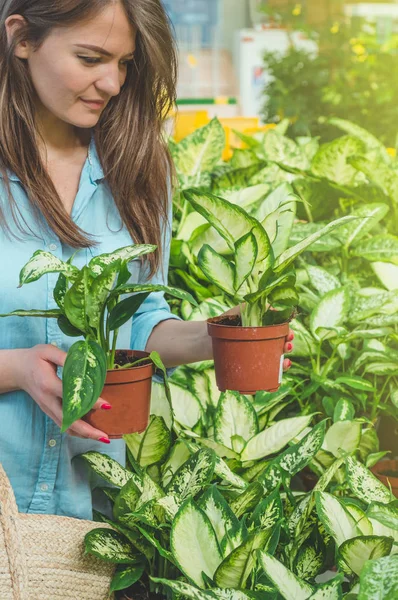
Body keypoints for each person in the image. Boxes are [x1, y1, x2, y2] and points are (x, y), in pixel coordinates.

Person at [0, 0, 294, 520]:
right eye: (91, 58)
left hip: (83, 512)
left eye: (125, 63)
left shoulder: (137, 167)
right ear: (21, 38)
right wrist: (17, 369)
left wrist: (217, 337)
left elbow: (141, 321)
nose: (112, 83)